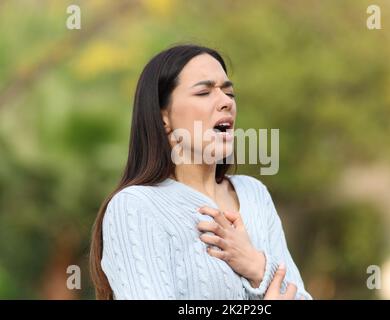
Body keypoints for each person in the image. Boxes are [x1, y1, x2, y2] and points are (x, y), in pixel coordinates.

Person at [89, 44, 312, 300]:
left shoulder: (254, 194)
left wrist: (256, 265)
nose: (226, 102)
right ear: (164, 117)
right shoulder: (136, 206)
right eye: (204, 92)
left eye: (229, 92)